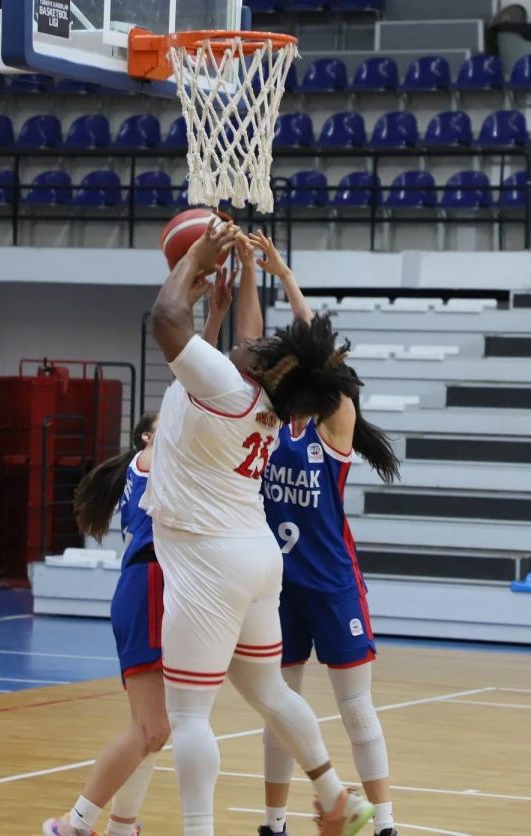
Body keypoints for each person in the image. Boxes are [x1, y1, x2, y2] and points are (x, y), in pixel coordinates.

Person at [145, 219, 375, 836]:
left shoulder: (227, 385)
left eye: (272, 349)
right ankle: (333, 793)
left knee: (190, 714)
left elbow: (166, 320)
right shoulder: (268, 402)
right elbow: (236, 347)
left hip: (207, 559)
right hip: (255, 556)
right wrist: (241, 279)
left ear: (269, 369)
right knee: (269, 691)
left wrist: (195, 256)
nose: (260, 342)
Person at [42, 271, 241, 836]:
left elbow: (190, 386)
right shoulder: (157, 456)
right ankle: (74, 825)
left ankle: (120, 825)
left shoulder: (151, 462)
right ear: (152, 437)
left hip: (153, 588)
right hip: (151, 585)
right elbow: (186, 386)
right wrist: (209, 316)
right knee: (151, 729)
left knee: (159, 727)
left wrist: (212, 322)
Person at [246, 232, 402, 836]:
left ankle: (384, 823)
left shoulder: (334, 428)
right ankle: (273, 822)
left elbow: (326, 360)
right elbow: (252, 348)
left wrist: (288, 280)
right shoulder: (265, 423)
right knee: (280, 710)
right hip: (277, 586)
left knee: (355, 708)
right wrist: (249, 282)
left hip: (333, 583)